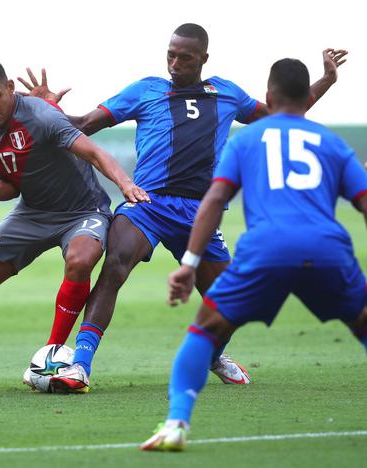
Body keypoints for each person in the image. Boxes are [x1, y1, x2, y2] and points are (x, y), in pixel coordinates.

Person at [18, 23, 347, 393]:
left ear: (203, 59)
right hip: (147, 203)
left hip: (198, 212)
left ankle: (213, 356)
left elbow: (281, 116)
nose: (175, 63)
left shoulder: (227, 93)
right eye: (170, 55)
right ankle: (79, 365)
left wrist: (326, 81)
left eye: (185, 57)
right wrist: (47, 108)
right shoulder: (146, 90)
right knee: (115, 265)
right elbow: (82, 126)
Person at [140, 57, 367, 452]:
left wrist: (190, 263)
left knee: (203, 330)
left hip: (266, 251)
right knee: (362, 323)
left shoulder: (246, 140)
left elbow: (214, 198)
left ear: (267, 96)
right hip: (327, 251)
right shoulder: (332, 143)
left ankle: (176, 423)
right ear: (304, 97)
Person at [0, 59, 149, 391]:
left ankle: (51, 356)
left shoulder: (43, 116)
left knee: (81, 261)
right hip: (33, 213)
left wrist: (125, 183)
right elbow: (12, 183)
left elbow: (95, 153)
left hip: (82, 210)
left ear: (10, 87)